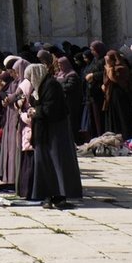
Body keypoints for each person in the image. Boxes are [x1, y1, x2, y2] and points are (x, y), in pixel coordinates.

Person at [28, 61, 81, 208]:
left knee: (58, 162)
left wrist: (35, 112)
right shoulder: (40, 87)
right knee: (44, 163)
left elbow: (52, 108)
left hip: (56, 130)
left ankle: (60, 195)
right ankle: (48, 194)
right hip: (44, 130)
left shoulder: (51, 85)